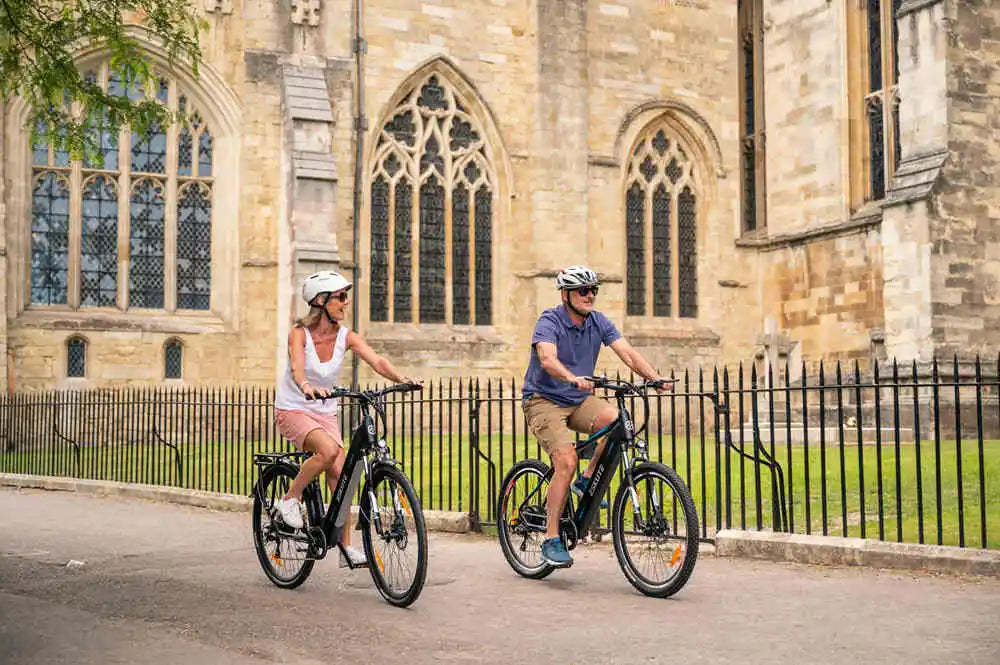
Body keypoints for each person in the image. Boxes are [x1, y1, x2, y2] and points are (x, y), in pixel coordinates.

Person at [521, 265, 671, 568]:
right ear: (566, 295)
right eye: (582, 291)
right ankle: (551, 539)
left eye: (593, 290)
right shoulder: (550, 321)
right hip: (543, 400)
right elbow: (547, 359)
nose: (590, 296)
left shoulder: (598, 322)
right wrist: (571, 377)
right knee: (565, 460)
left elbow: (626, 352)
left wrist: (654, 378)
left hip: (577, 399)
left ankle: (586, 480)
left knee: (617, 421)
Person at [273, 270, 419, 568]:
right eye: (340, 297)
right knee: (328, 451)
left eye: (345, 297)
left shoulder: (346, 336)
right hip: (294, 407)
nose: (345, 302)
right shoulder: (299, 334)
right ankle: (289, 501)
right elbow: (297, 368)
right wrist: (306, 387)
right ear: (321, 301)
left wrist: (402, 379)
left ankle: (345, 548)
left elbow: (376, 360)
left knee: (342, 477)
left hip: (324, 409)